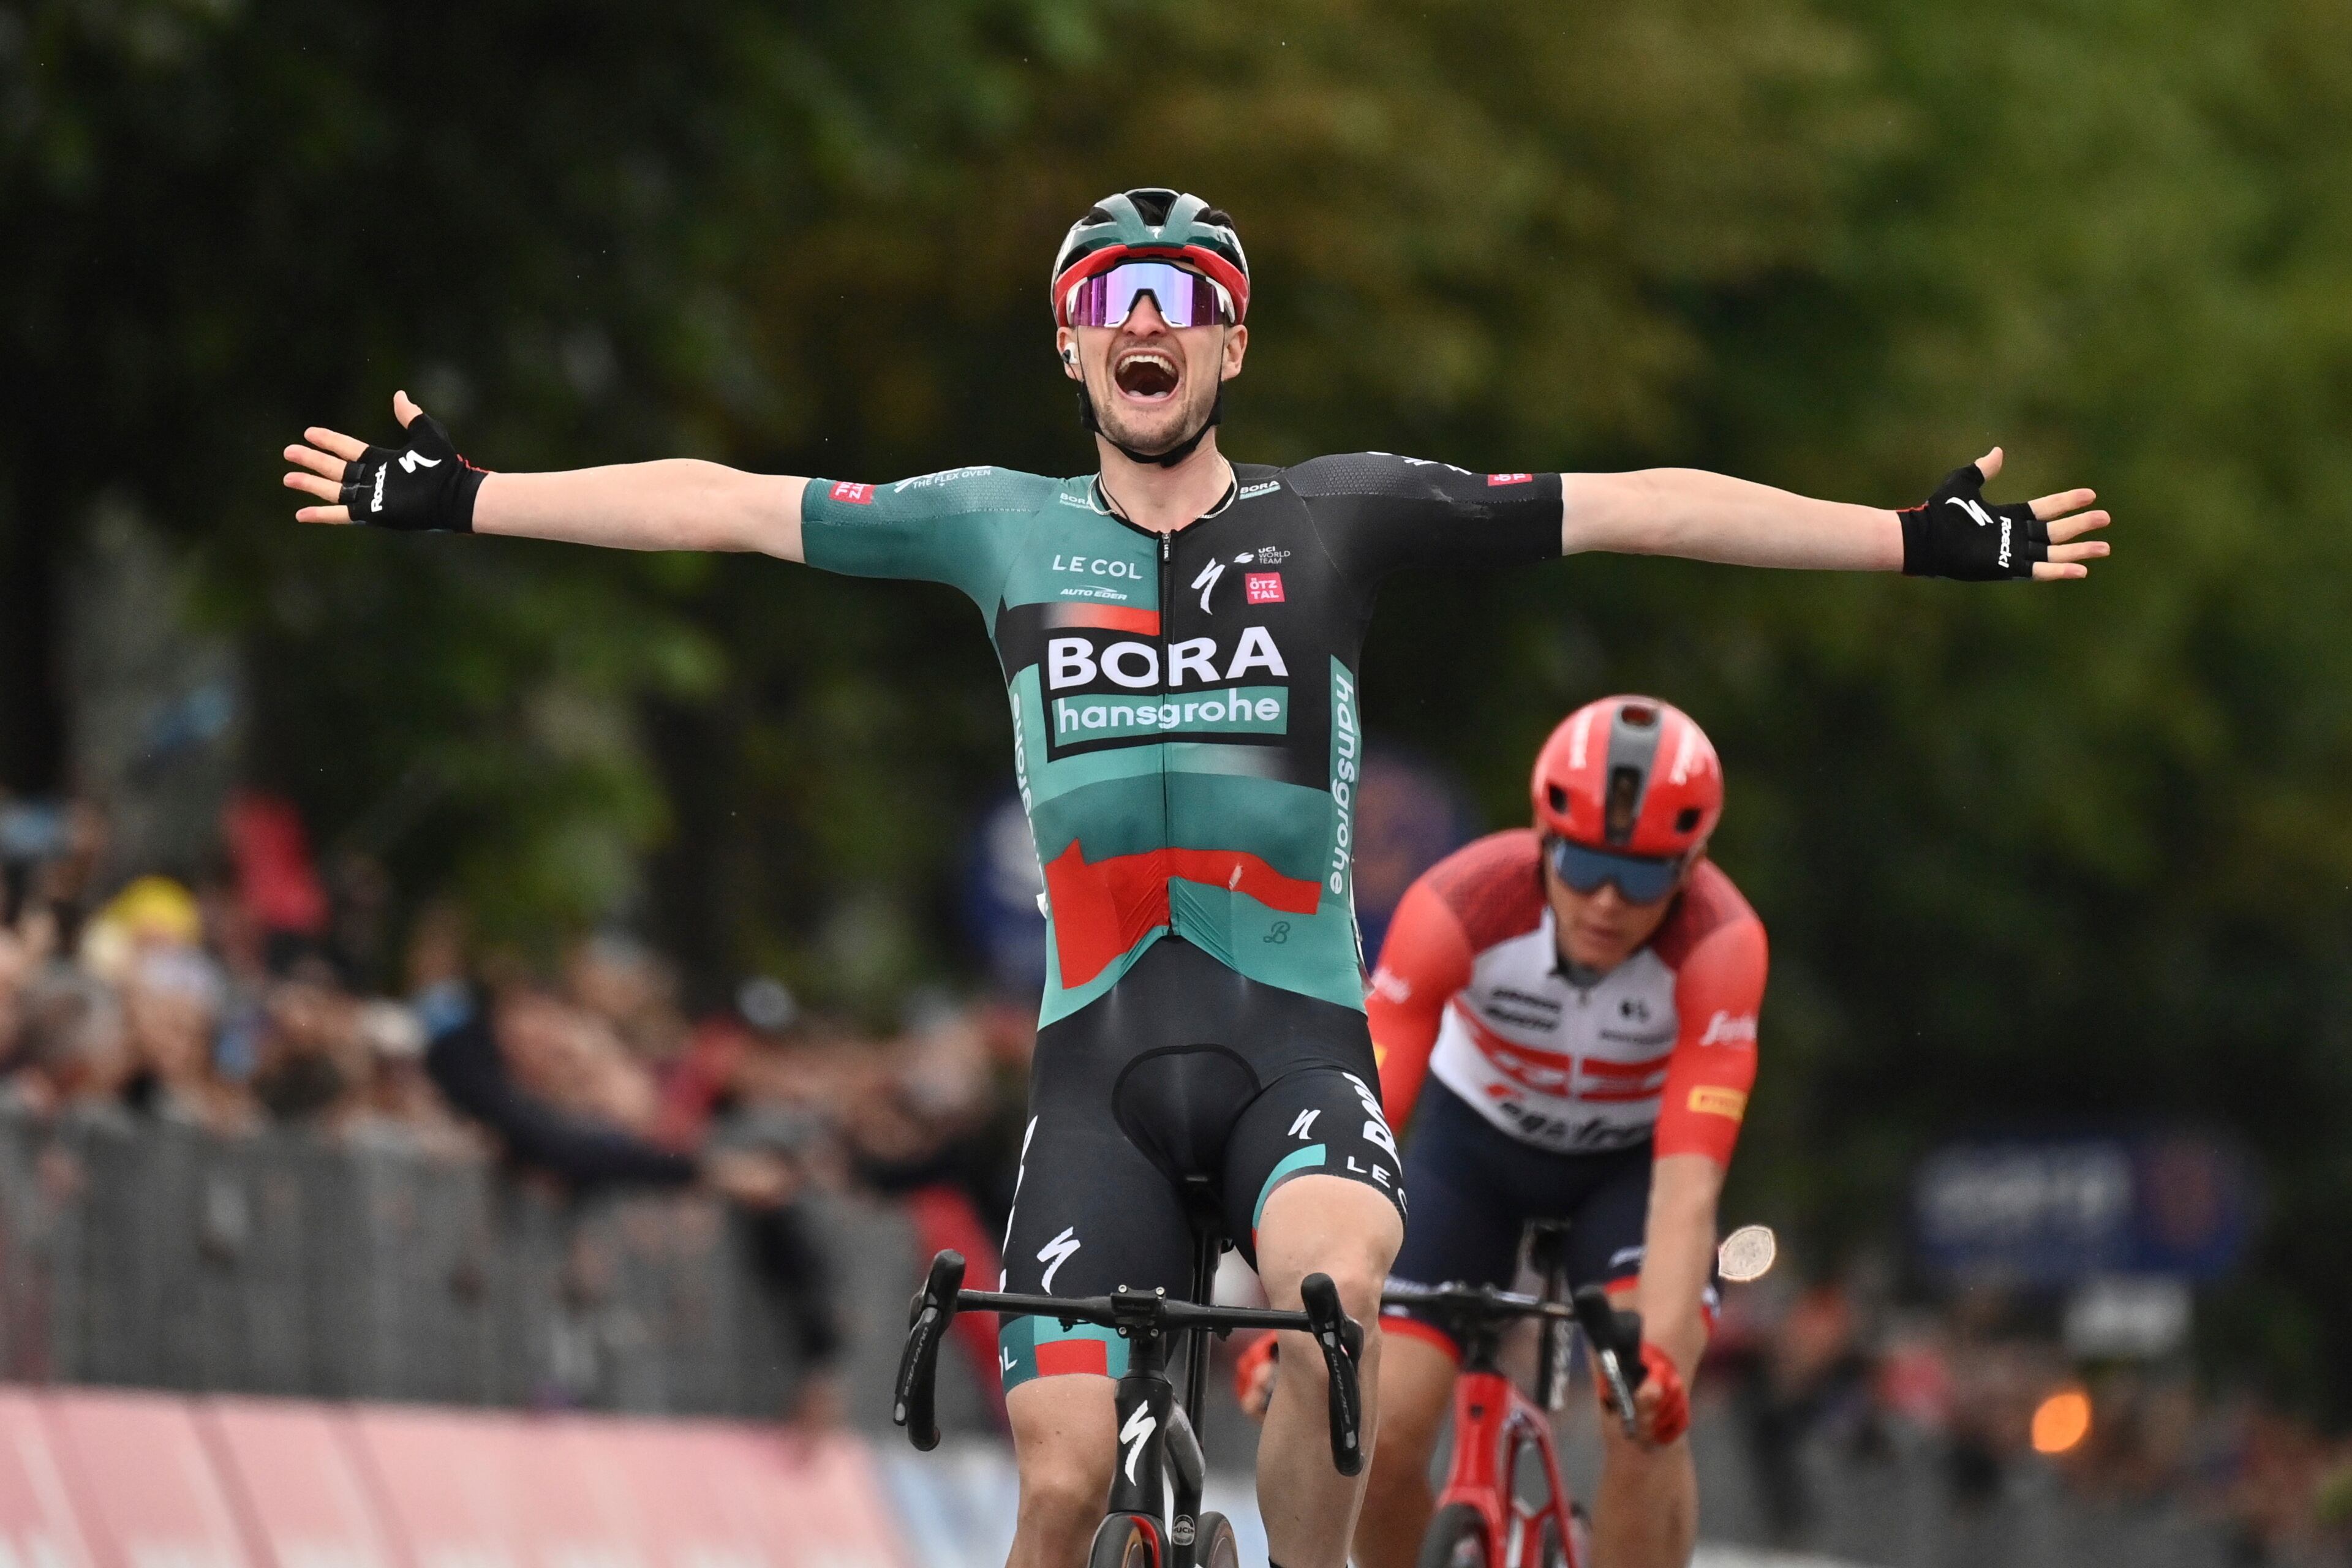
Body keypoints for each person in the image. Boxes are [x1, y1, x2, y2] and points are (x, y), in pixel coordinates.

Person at [282, 188, 2109, 1568]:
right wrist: (469, 495)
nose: (1148, 326)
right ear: (1073, 350)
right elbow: (728, 500)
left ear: (1232, 349)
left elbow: (1639, 498)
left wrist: (1913, 541)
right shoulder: (993, 525)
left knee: (1330, 1307)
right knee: (1061, 1487)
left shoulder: (1341, 517)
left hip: (1296, 1063)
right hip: (1093, 1078)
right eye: (1112, 305)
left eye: (1186, 305)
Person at [1354, 695, 1757, 1568]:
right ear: (1542, 837)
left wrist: (1657, 1357)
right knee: (1378, 1427)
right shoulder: (1461, 900)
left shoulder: (1721, 945)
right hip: (1472, 1159)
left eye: (1645, 877)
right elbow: (1365, 1119)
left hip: (1630, 1176)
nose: (1608, 903)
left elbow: (1689, 1188)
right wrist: (1293, 1310)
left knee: (1640, 1411)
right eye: (1581, 865)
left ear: (1690, 868)